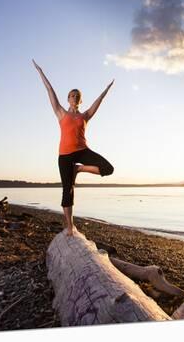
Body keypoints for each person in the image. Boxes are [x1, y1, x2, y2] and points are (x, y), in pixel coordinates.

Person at [32, 59, 115, 236]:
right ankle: (70, 227)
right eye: (72, 95)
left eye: (77, 96)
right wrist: (40, 72)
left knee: (108, 168)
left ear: (80, 100)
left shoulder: (85, 115)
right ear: (68, 99)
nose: (74, 97)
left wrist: (105, 91)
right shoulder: (61, 113)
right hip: (65, 155)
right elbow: (49, 90)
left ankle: (79, 169)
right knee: (67, 190)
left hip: (82, 150)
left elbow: (98, 102)